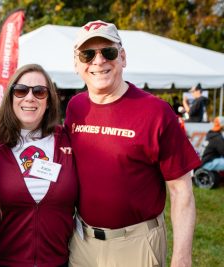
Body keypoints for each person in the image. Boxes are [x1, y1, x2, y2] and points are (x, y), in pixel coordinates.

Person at [65, 20, 201, 267]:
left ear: (123, 57)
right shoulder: (75, 108)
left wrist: (182, 257)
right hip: (82, 243)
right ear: (77, 64)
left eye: (108, 51)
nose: (98, 61)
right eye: (87, 54)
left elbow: (181, 190)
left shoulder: (157, 112)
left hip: (137, 246)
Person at [0, 64, 78, 267]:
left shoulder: (68, 141)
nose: (30, 97)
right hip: (3, 263)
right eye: (21, 90)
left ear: (49, 100)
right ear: (10, 98)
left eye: (39, 91)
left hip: (58, 262)